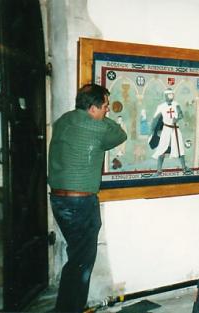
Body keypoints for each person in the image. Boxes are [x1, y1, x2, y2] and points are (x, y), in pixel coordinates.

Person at [48, 83, 127, 313]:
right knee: (82, 262)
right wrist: (103, 120)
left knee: (76, 258)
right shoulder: (98, 127)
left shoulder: (63, 120)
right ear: (92, 109)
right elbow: (120, 134)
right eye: (104, 107)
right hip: (80, 203)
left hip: (59, 201)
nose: (107, 111)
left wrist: (99, 115)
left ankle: (64, 307)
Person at [149, 88, 192, 176]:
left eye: (172, 95)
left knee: (180, 148)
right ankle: (159, 170)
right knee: (162, 148)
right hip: (166, 130)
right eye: (169, 95)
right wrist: (153, 130)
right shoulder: (161, 106)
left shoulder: (176, 104)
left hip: (175, 129)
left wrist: (177, 118)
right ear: (166, 96)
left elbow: (181, 114)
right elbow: (155, 119)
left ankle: (184, 167)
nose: (171, 96)